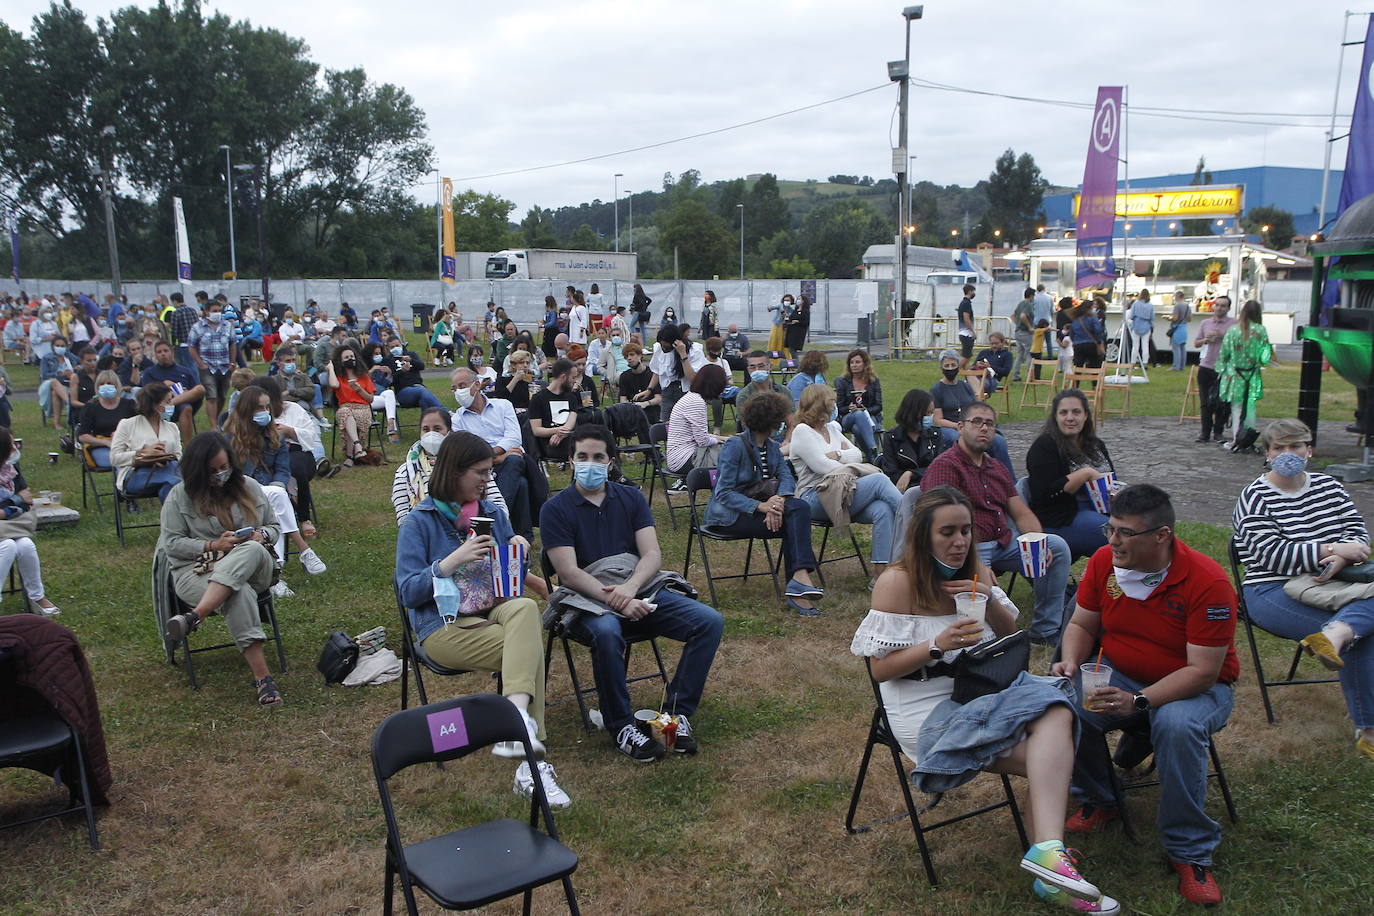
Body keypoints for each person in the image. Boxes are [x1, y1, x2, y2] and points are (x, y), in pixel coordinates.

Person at [853, 486, 1120, 915]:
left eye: (965, 531)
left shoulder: (973, 567)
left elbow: (1010, 627)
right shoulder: (897, 582)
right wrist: (937, 644)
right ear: (923, 536)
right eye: (947, 533)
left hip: (978, 688)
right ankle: (1052, 865)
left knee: (1054, 710)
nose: (960, 542)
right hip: (923, 705)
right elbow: (881, 671)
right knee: (1051, 748)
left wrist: (985, 592)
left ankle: (1049, 856)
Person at [1052, 483, 1238, 907]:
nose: (1112, 541)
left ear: (1162, 535)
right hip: (1122, 673)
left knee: (1175, 723)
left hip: (1196, 689)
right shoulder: (1105, 563)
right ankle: (1102, 799)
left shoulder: (1206, 581)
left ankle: (1190, 852)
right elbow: (1083, 625)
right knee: (1066, 701)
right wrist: (1070, 661)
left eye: (1124, 533)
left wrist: (1140, 701)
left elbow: (1203, 672)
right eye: (1110, 529)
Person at [393, 431, 566, 804]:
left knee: (524, 608)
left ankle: (515, 720)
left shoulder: (490, 513)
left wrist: (520, 550)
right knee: (529, 644)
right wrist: (446, 565)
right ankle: (529, 763)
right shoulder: (418, 523)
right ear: (454, 470)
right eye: (481, 472)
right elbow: (408, 592)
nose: (488, 480)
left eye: (490, 472)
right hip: (444, 624)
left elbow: (512, 582)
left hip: (496, 606)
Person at [541, 424, 724, 761]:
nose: (590, 463)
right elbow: (568, 572)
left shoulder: (630, 498)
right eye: (582, 456)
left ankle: (676, 713)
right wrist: (616, 599)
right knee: (609, 631)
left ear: (611, 461)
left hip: (637, 587)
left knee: (708, 621)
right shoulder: (555, 509)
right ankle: (621, 725)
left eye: (598, 456)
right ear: (571, 460)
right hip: (585, 602)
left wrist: (629, 590)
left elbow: (652, 554)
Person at [1233, 419, 1374, 761]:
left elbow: (1357, 534)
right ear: (1267, 453)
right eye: (1279, 447)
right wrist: (1332, 551)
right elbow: (1272, 555)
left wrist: (1341, 559)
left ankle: (1335, 636)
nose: (1288, 454)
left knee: (1357, 629)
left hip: (1334, 582)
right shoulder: (1255, 496)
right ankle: (1368, 729)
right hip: (1270, 589)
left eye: (1295, 446)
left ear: (1309, 450)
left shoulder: (1330, 487)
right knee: (1365, 631)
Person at [911, 401, 1072, 644]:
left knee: (1057, 546)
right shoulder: (945, 466)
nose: (984, 428)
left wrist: (1038, 542)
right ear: (960, 427)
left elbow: (1021, 513)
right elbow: (936, 527)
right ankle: (990, 634)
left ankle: (1045, 630)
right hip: (966, 547)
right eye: (976, 422)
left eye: (989, 424)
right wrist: (973, 561)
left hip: (1004, 542)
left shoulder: (996, 467)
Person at [159, 432, 288, 707]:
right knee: (237, 592)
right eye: (213, 471)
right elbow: (171, 545)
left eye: (224, 467)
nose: (221, 474)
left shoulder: (250, 487)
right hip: (197, 571)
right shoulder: (179, 497)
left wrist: (261, 536)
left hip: (255, 567)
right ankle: (263, 679)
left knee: (251, 549)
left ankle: (195, 616)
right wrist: (212, 544)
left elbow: (275, 528)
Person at [704, 392, 824, 614]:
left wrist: (778, 501)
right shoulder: (734, 446)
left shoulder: (771, 447)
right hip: (730, 516)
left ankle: (799, 580)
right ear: (772, 421)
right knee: (794, 518)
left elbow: (786, 477)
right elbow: (724, 493)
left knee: (799, 507)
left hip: (765, 507)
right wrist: (761, 507)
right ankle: (798, 583)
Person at [224, 385, 327, 596]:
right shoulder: (230, 438)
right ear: (246, 410)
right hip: (241, 491)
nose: (265, 413)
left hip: (272, 489)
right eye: (259, 408)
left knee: (275, 497)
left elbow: (282, 469)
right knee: (276, 498)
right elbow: (232, 475)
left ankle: (274, 570)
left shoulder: (275, 435)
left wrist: (277, 485)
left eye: (267, 408)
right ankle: (303, 549)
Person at [789, 385, 901, 578]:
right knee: (879, 480)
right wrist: (843, 459)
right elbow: (823, 467)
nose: (835, 406)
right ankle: (917, 521)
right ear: (820, 405)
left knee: (882, 509)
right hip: (816, 495)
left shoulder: (832, 428)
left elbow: (857, 455)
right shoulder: (802, 431)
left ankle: (881, 575)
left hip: (847, 489)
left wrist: (838, 454)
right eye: (831, 402)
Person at [1026, 390, 1115, 560]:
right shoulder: (1045, 447)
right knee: (1117, 535)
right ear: (1055, 417)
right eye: (1063, 412)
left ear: (1086, 415)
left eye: (1076, 412)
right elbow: (1046, 495)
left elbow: (1111, 478)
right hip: (1062, 517)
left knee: (1143, 525)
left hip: (1102, 509)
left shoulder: (1096, 445)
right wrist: (1084, 474)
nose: (1070, 418)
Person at [450, 365, 532, 539]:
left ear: (477, 385)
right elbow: (469, 453)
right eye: (454, 389)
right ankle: (518, 532)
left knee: (515, 461)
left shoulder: (503, 406)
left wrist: (492, 454)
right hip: (483, 469)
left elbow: (514, 437)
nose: (458, 392)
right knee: (521, 482)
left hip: (510, 461)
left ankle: (495, 522)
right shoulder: (456, 420)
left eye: (462, 386)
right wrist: (499, 457)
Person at [392, 407, 506, 524]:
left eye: (437, 429)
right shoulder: (405, 472)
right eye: (426, 429)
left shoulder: (467, 465)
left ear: (449, 432)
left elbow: (499, 506)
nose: (431, 434)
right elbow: (403, 521)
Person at [0, 428, 61, 615]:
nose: (15, 447)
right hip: (8, 531)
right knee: (9, 546)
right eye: (10, 445)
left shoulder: (11, 469)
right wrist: (15, 502)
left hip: (8, 528)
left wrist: (8, 507)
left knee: (25, 545)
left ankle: (37, 598)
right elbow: (21, 500)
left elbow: (27, 500)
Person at [929, 349, 1014, 474]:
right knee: (956, 438)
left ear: (958, 366)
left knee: (998, 441)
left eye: (953, 365)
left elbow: (977, 409)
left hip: (971, 425)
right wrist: (960, 426)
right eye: (946, 365)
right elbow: (937, 420)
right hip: (950, 427)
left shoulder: (965, 386)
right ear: (941, 367)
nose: (950, 368)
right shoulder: (937, 389)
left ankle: (1008, 481)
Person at [109, 382, 183, 503]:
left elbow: (179, 457)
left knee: (171, 486)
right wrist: (142, 453)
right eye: (168, 401)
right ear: (154, 405)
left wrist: (164, 457)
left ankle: (171, 520)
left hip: (168, 469)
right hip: (137, 473)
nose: (172, 404)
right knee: (178, 482)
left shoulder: (172, 427)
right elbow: (114, 458)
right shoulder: (127, 425)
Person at [327, 341, 399, 463]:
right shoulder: (339, 377)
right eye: (346, 357)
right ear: (341, 361)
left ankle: (351, 456)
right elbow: (333, 384)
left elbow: (370, 399)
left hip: (363, 408)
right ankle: (357, 446)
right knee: (345, 413)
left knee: (351, 418)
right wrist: (330, 368)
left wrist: (359, 389)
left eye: (352, 356)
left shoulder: (363, 376)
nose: (350, 359)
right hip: (345, 407)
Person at [1215, 298, 1272, 449]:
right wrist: (1260, 361)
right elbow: (1266, 353)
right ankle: (1248, 439)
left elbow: (1224, 353)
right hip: (1252, 375)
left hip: (1235, 375)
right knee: (1251, 407)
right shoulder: (1261, 330)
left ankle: (1236, 439)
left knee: (1236, 408)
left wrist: (1221, 369)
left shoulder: (1233, 330)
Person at [665, 364, 730, 474]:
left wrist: (723, 438)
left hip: (683, 455)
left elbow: (699, 436)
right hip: (685, 459)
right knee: (735, 453)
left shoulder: (692, 397)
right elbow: (703, 441)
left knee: (731, 447)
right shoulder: (696, 402)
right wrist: (722, 441)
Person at [880, 388, 948, 493]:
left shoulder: (934, 435)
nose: (930, 418)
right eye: (927, 414)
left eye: (931, 414)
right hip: (902, 491)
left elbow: (939, 467)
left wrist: (911, 473)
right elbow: (891, 471)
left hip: (931, 488)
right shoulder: (892, 438)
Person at [142, 339, 206, 446]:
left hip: (182, 404)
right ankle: (169, 403)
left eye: (165, 351)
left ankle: (188, 447)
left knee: (199, 391)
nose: (163, 354)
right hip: (159, 407)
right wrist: (163, 387)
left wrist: (183, 392)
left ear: (172, 352)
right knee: (185, 406)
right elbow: (145, 393)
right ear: (155, 355)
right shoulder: (149, 373)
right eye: (159, 352)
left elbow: (197, 391)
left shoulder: (185, 371)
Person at [187, 298, 238, 430]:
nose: (217, 313)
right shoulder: (197, 327)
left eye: (219, 310)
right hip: (207, 366)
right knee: (211, 396)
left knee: (222, 396)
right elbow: (192, 346)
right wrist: (200, 363)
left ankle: (217, 418)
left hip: (225, 366)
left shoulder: (227, 325)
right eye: (214, 311)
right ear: (206, 312)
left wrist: (232, 362)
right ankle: (213, 425)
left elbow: (233, 344)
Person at [528, 358, 585, 461]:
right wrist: (556, 431)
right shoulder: (538, 398)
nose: (574, 381)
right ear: (563, 377)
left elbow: (571, 420)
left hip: (567, 437)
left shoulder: (571, 397)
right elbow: (536, 430)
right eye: (572, 378)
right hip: (548, 442)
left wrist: (561, 434)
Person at [77, 370, 135, 468]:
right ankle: (123, 482)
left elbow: (138, 426)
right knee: (121, 460)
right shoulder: (91, 408)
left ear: (116, 385)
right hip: (102, 447)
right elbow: (83, 436)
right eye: (101, 384)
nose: (105, 386)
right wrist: (106, 443)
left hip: (127, 444)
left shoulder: (129, 405)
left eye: (109, 383)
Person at [833, 348, 882, 463]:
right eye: (851, 362)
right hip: (848, 418)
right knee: (858, 415)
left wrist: (865, 409)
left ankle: (871, 458)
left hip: (870, 416)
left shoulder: (873, 381)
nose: (854, 365)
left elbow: (878, 406)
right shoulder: (843, 381)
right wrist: (850, 409)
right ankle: (873, 449)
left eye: (858, 362)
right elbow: (839, 408)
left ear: (865, 364)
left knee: (857, 428)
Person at [648, 323, 706, 418]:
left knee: (686, 422)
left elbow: (693, 379)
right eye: (662, 346)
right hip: (668, 391)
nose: (664, 349)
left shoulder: (694, 351)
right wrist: (649, 389)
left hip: (687, 392)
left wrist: (682, 354)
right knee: (666, 422)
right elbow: (658, 371)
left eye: (667, 347)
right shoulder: (659, 349)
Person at [384, 336, 444, 413]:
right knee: (422, 391)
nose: (395, 348)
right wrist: (402, 371)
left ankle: (425, 423)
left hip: (418, 387)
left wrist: (411, 360)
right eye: (392, 347)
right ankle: (445, 412)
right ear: (388, 349)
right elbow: (390, 381)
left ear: (401, 345)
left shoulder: (411, 354)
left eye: (397, 346)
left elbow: (421, 366)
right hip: (403, 392)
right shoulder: (388, 361)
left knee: (424, 400)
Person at [617, 342, 662, 424]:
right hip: (633, 411)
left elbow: (659, 398)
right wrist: (632, 406)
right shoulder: (624, 376)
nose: (629, 358)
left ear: (640, 355)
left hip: (651, 408)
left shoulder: (652, 374)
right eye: (626, 357)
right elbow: (622, 399)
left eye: (632, 355)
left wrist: (646, 403)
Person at [38, 335, 76, 429]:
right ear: (53, 346)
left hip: (66, 385)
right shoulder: (47, 358)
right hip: (49, 384)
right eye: (57, 345)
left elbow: (81, 364)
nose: (60, 348)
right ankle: (70, 403)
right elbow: (44, 375)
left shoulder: (70, 357)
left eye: (62, 346)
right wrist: (60, 374)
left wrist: (74, 370)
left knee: (56, 393)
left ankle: (57, 423)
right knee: (54, 382)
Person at [1068, 302, 1106, 369]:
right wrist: (1099, 341)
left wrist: (1075, 341)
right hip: (1091, 343)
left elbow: (1071, 334)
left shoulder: (1076, 320)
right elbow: (1098, 330)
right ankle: (1095, 378)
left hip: (1078, 344)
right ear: (1090, 308)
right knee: (1095, 364)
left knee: (1078, 366)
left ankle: (1076, 379)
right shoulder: (1093, 318)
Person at [1011, 288, 1036, 382]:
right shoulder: (1028, 305)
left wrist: (1017, 324)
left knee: (1020, 354)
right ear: (1031, 296)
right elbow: (1023, 316)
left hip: (1017, 332)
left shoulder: (1020, 303)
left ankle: (1016, 374)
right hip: (1025, 333)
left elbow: (1013, 315)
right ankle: (1030, 375)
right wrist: (1029, 327)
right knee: (1029, 353)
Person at [1127, 290, 1154, 369]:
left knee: (1135, 346)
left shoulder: (1136, 304)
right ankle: (1145, 363)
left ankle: (1133, 363)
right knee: (1145, 346)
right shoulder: (1150, 305)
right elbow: (1152, 317)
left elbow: (1131, 316)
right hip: (1146, 326)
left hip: (1136, 326)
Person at [1168, 291, 1192, 371]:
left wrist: (1168, 318)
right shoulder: (1188, 306)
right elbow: (1189, 319)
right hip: (1184, 327)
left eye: (1175, 296)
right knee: (1182, 347)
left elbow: (1175, 318)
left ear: (1178, 296)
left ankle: (1176, 366)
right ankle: (1182, 366)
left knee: (1176, 348)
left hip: (1177, 328)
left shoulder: (1177, 306)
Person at [955, 284, 978, 366]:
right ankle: (954, 370)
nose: (974, 293)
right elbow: (966, 318)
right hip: (966, 333)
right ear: (969, 291)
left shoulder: (963, 303)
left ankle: (966, 373)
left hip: (963, 333)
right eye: (973, 291)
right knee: (967, 356)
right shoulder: (966, 303)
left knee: (966, 354)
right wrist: (973, 332)